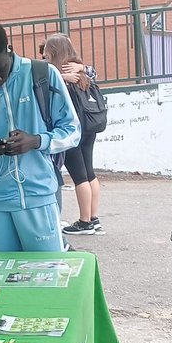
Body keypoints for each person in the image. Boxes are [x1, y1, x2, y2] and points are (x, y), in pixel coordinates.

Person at [0, 22, 80, 252]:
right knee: (4, 282)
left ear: (8, 48)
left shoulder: (43, 76)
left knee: (46, 280)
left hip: (39, 200)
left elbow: (72, 131)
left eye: (0, 70)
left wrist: (37, 140)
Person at [42, 34, 103, 236]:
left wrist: (61, 77)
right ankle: (94, 218)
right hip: (90, 125)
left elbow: (41, 84)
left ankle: (84, 222)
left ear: (54, 52)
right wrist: (83, 68)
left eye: (47, 52)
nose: (44, 55)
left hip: (72, 129)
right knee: (89, 172)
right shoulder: (81, 69)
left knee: (79, 177)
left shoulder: (59, 72)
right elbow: (94, 73)